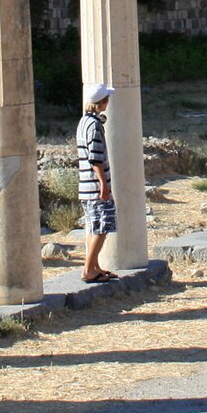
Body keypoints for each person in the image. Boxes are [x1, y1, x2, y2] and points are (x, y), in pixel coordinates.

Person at [76, 83, 118, 282]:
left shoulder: (84, 121)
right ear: (101, 102)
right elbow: (95, 158)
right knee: (102, 227)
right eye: (106, 100)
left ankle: (95, 266)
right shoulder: (93, 126)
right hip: (94, 186)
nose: (107, 103)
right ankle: (88, 270)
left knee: (95, 226)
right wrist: (103, 184)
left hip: (87, 186)